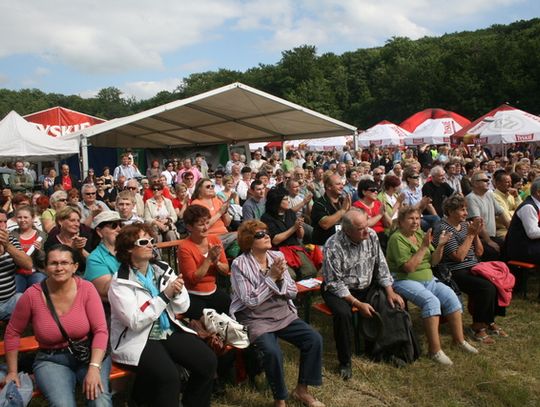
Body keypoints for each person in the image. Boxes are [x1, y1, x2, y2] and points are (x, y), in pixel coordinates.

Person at [108, 223, 217, 407]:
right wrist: (165, 295)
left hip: (166, 329)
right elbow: (135, 321)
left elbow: (182, 306)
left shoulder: (161, 268)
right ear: (128, 249)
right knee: (169, 377)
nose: (151, 244)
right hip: (138, 338)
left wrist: (177, 293)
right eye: (144, 242)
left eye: (151, 240)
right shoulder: (120, 282)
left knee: (207, 361)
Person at [230, 220, 324, 407]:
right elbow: (250, 300)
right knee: (273, 352)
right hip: (255, 317)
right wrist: (272, 278)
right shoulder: (239, 264)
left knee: (313, 339)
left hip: (282, 312)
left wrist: (278, 280)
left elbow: (291, 291)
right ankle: (280, 399)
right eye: (260, 234)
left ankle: (301, 390)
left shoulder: (276, 256)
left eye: (266, 232)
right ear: (249, 241)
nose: (266, 236)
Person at [4, 245, 112, 406]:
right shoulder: (32, 295)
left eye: (65, 263)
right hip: (51, 359)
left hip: (88, 354)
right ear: (45, 268)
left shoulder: (87, 289)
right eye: (53, 263)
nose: (59, 267)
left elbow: (101, 331)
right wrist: (12, 372)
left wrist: (95, 367)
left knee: (100, 400)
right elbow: (12, 332)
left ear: (75, 266)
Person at [386, 207, 478, 366]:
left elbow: (434, 262)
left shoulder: (420, 234)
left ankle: (459, 340)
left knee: (451, 296)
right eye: (411, 219)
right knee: (431, 302)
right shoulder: (397, 239)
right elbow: (408, 268)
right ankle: (434, 351)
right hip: (404, 280)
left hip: (428, 278)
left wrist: (441, 245)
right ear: (401, 222)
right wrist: (423, 247)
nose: (415, 222)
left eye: (417, 218)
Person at [321, 208, 404, 380]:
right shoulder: (333, 245)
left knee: (389, 302)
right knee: (343, 314)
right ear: (347, 231)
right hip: (339, 288)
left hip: (365, 283)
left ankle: (384, 351)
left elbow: (381, 265)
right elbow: (335, 283)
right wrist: (357, 304)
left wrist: (390, 290)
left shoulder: (371, 235)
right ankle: (345, 361)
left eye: (367, 225)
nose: (367, 230)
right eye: (360, 229)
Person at [433, 194, 508, 344]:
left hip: (473, 266)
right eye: (462, 210)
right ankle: (478, 327)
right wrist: (470, 235)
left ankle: (489, 321)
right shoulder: (443, 228)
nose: (466, 213)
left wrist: (475, 235)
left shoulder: (465, 226)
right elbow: (458, 257)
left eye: (466, 209)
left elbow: (479, 252)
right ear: (451, 211)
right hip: (453, 271)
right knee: (485, 287)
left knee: (496, 282)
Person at [178, 205, 230, 319]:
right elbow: (193, 279)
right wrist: (208, 259)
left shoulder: (214, 240)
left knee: (228, 305)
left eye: (207, 223)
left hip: (213, 290)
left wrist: (217, 263)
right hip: (194, 295)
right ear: (189, 227)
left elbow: (226, 270)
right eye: (201, 224)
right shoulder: (185, 247)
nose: (206, 227)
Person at [261, 187, 319, 280]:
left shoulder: (290, 213)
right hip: (278, 251)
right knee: (290, 276)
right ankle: (291, 293)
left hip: (295, 248)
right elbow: (275, 240)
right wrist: (294, 228)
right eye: (285, 199)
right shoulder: (267, 217)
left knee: (310, 271)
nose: (288, 201)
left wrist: (299, 227)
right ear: (277, 201)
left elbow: (300, 236)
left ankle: (307, 293)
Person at [465, 171, 508, 261]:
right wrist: (489, 241)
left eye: (488, 179)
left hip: (492, 236)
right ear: (475, 183)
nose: (488, 182)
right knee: (492, 252)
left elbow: (500, 213)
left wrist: (511, 230)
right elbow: (477, 222)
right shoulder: (471, 198)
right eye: (484, 180)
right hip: (479, 238)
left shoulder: (489, 193)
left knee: (510, 246)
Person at [0, 209, 32, 320]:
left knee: (22, 298)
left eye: (5, 222)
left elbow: (28, 265)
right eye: (0, 222)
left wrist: (7, 246)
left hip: (10, 301)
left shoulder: (12, 240)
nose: (3, 226)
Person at [84, 211, 122, 302]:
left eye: (121, 225)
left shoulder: (129, 250)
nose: (119, 229)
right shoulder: (95, 259)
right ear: (99, 231)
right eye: (113, 225)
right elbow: (106, 290)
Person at [44, 206, 93, 274]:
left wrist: (81, 250)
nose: (77, 224)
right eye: (72, 220)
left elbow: (94, 263)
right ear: (60, 222)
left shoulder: (85, 237)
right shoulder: (52, 241)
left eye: (78, 221)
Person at [10, 205, 47, 293]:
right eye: (19, 217)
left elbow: (45, 259)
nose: (22, 220)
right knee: (16, 292)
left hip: (36, 271)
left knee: (40, 289)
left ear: (33, 218)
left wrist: (39, 251)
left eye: (26, 217)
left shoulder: (41, 235)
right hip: (17, 272)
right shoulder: (12, 235)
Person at [504, 177, 540, 264]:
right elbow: (532, 233)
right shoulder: (528, 207)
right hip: (522, 249)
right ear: (538, 192)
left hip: (532, 245)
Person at [311, 174, 351, 245]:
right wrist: (342, 211)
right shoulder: (319, 204)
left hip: (342, 244)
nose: (342, 187)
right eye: (338, 184)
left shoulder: (343, 201)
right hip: (324, 246)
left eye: (342, 184)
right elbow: (325, 224)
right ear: (328, 186)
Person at [353, 179, 392, 252]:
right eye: (373, 190)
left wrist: (384, 213)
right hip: (366, 237)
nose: (376, 192)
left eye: (377, 190)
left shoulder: (378, 204)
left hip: (381, 236)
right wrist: (380, 214)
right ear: (364, 192)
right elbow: (366, 223)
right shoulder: (357, 206)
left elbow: (389, 224)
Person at [400, 166, 439, 231]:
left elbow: (421, 209)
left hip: (420, 215)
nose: (418, 179)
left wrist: (425, 203)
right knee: (427, 225)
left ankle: (436, 239)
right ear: (408, 179)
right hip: (411, 218)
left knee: (436, 218)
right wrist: (421, 203)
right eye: (415, 177)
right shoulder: (404, 192)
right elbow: (407, 211)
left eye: (418, 177)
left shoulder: (419, 190)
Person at [492, 171, 521, 239]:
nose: (510, 184)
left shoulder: (512, 194)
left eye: (510, 182)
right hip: (502, 230)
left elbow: (523, 211)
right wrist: (514, 211)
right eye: (507, 182)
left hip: (516, 227)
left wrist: (517, 197)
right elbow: (507, 217)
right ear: (498, 184)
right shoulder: (494, 196)